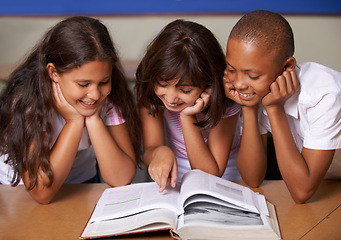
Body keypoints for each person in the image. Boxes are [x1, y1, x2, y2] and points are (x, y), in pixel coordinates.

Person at [0, 16, 141, 204]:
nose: (94, 94)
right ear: (53, 73)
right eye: (83, 84)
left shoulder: (107, 102)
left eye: (104, 82)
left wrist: (94, 120)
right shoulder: (29, 104)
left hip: (80, 184)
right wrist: (73, 122)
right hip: (15, 190)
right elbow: (41, 193)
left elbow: (121, 179)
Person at [223, 10, 341, 203]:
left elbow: (302, 192)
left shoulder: (325, 95)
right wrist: (249, 107)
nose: (239, 84)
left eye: (252, 76)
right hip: (327, 183)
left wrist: (274, 109)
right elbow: (252, 178)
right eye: (231, 69)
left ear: (287, 68)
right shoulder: (258, 90)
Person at [135, 19, 242, 193]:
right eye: (162, 84)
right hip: (176, 179)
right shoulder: (151, 92)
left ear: (209, 84)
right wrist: (158, 152)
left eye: (185, 90)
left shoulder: (225, 100)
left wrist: (186, 116)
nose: (170, 98)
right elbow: (150, 149)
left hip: (227, 179)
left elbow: (210, 173)